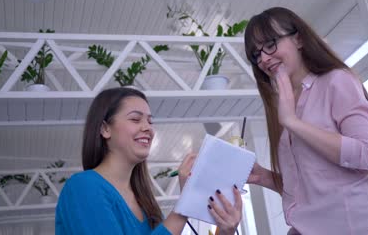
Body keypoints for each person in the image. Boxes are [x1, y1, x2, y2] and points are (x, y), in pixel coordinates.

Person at [244, 7, 368, 235]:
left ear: (299, 39)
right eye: (255, 54)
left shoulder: (336, 81)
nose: (263, 58)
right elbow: (312, 185)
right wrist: (265, 176)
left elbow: (367, 155)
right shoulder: (286, 105)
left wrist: (293, 122)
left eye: (270, 44)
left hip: (364, 228)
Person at [55, 87, 242, 235]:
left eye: (150, 122)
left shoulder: (146, 204)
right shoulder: (83, 187)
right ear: (105, 129)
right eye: (135, 119)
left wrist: (226, 231)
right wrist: (186, 204)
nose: (148, 128)